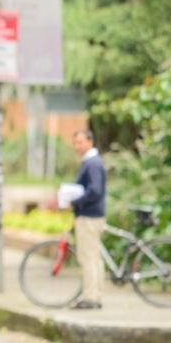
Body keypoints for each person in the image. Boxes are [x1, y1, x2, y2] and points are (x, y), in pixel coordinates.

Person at [69, 129, 107, 310]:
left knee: (88, 258)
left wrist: (76, 201)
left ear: (90, 142)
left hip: (89, 216)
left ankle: (91, 297)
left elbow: (95, 191)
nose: (77, 146)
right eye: (75, 143)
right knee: (94, 258)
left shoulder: (92, 164)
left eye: (80, 142)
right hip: (91, 215)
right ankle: (95, 295)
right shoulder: (91, 163)